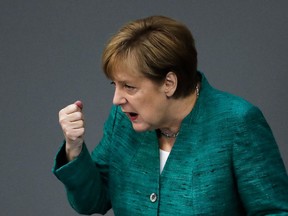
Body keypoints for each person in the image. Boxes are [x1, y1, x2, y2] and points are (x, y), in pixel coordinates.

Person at [52, 15, 288, 215]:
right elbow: (93, 201)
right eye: (114, 85)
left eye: (129, 87)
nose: (116, 100)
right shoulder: (122, 121)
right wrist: (74, 148)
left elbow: (275, 210)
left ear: (169, 83)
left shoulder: (238, 122)